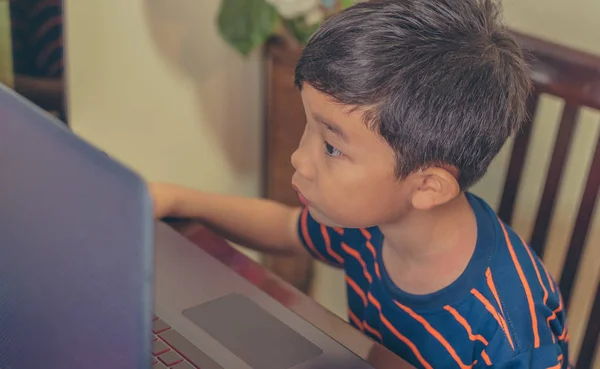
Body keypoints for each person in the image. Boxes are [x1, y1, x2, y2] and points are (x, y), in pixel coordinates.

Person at [151, 0, 569, 367]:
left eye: (332, 147)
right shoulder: (370, 225)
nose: (299, 158)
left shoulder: (510, 331)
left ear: (427, 187)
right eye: (308, 126)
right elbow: (284, 228)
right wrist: (179, 200)